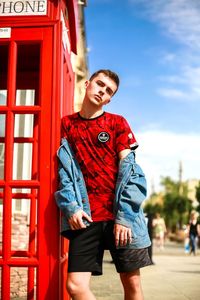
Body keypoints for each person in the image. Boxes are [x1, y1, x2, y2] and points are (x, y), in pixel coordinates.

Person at [55, 69, 151, 300]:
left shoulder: (117, 123)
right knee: (76, 286)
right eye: (99, 84)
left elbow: (131, 172)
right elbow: (63, 172)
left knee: (132, 285)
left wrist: (125, 218)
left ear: (109, 99)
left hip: (121, 217)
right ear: (87, 84)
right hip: (85, 217)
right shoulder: (66, 124)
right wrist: (71, 207)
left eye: (108, 91)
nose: (102, 91)